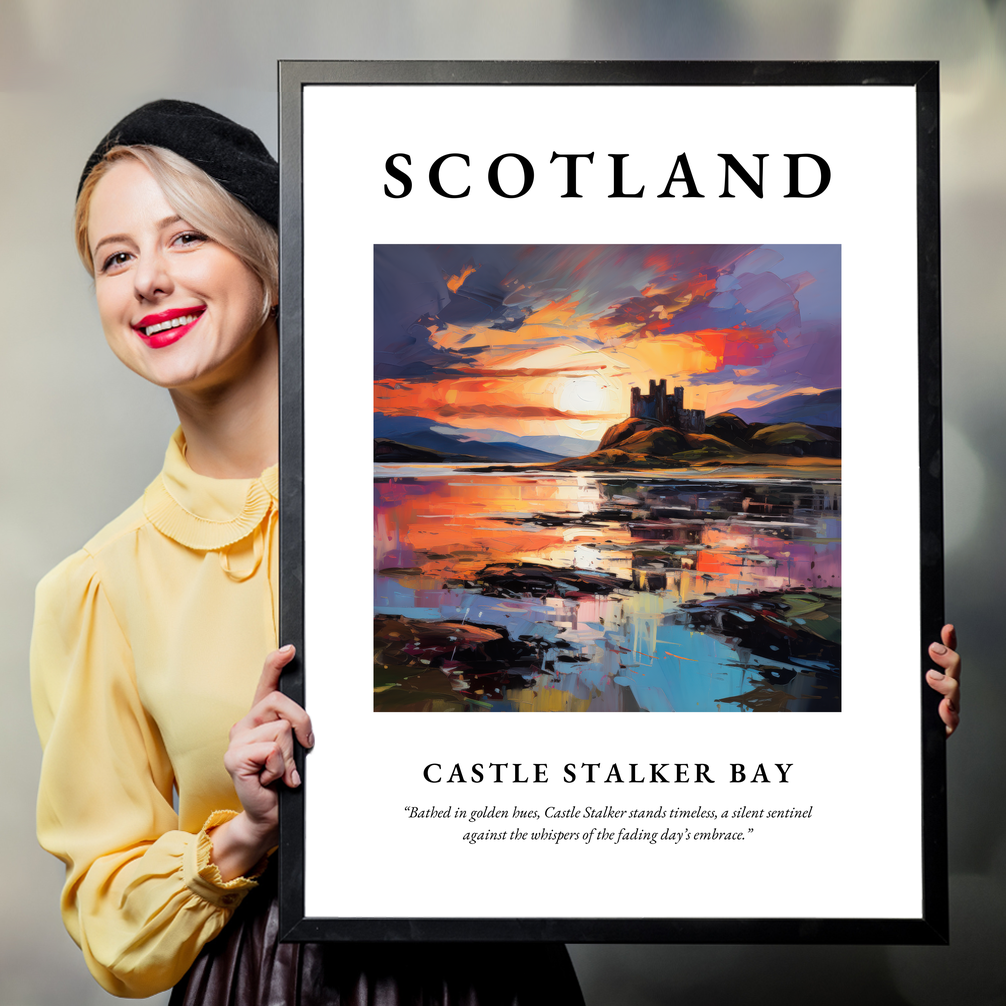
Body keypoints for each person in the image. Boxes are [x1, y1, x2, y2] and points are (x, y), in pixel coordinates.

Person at [30, 100, 585, 1004]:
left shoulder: (450, 509)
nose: (148, 281)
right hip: (263, 981)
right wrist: (245, 832)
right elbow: (110, 924)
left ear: (273, 264)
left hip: (493, 972)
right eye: (116, 257)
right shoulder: (97, 587)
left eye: (185, 238)